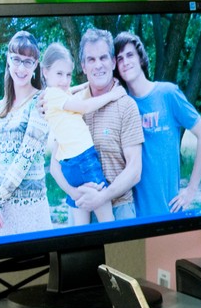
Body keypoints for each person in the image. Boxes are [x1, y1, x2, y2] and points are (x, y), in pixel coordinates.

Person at [113, 31, 201, 217]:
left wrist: (191, 189)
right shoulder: (123, 104)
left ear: (141, 58)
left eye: (130, 55)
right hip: (133, 213)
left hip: (169, 210)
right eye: (119, 59)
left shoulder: (168, 93)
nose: (125, 62)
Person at [50, 28, 144, 221]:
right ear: (83, 66)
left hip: (118, 210)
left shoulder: (126, 105)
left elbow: (134, 171)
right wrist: (74, 194)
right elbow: (55, 165)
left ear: (113, 62)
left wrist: (101, 197)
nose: (98, 65)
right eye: (91, 59)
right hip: (80, 207)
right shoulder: (70, 104)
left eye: (103, 58)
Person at [39, 41, 125, 225]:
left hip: (70, 165)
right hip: (84, 160)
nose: (64, 80)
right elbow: (84, 107)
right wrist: (112, 95)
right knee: (107, 220)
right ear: (45, 72)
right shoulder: (55, 95)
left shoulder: (53, 94)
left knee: (81, 225)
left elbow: (70, 90)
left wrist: (88, 83)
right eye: (59, 74)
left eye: (68, 74)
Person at [0, 30, 52, 238]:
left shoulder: (41, 102)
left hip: (29, 213)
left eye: (28, 62)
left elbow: (24, 159)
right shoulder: (0, 108)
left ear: (36, 65)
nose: (21, 68)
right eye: (16, 59)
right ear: (8, 60)